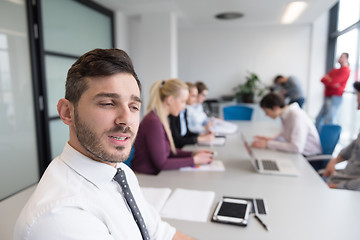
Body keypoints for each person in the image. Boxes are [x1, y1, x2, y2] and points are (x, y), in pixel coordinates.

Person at [14, 48, 194, 240]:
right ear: (67, 112)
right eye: (108, 103)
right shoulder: (60, 216)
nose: (126, 119)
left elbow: (161, 233)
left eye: (133, 107)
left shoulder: (121, 173)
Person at [131, 79, 213, 175]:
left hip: (156, 175)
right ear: (170, 100)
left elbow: (168, 152)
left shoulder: (163, 118)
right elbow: (162, 164)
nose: (184, 106)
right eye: (182, 101)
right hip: (145, 177)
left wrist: (193, 154)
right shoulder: (153, 122)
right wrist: (194, 160)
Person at [251, 93, 322, 156]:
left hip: (309, 158)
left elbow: (296, 147)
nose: (266, 115)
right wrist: (270, 139)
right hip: (300, 154)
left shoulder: (296, 116)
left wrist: (267, 144)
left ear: (276, 108)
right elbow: (285, 133)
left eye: (266, 111)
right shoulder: (285, 114)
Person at [321, 82, 360, 191]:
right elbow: (349, 151)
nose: (357, 108)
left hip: (348, 188)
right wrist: (334, 161)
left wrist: (339, 187)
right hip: (340, 179)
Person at [169, 82, 215, 148]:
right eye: (193, 96)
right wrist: (200, 138)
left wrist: (201, 135)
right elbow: (177, 140)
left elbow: (186, 133)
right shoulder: (174, 113)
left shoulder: (184, 111)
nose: (196, 98)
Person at [315, 52, 350, 131]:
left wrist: (330, 80)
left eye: (342, 57)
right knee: (319, 119)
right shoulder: (335, 70)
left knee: (329, 120)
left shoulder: (346, 70)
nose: (339, 59)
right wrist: (331, 82)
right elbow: (323, 79)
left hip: (335, 97)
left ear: (346, 59)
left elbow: (333, 83)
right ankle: (317, 138)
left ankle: (327, 141)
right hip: (328, 96)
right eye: (339, 57)